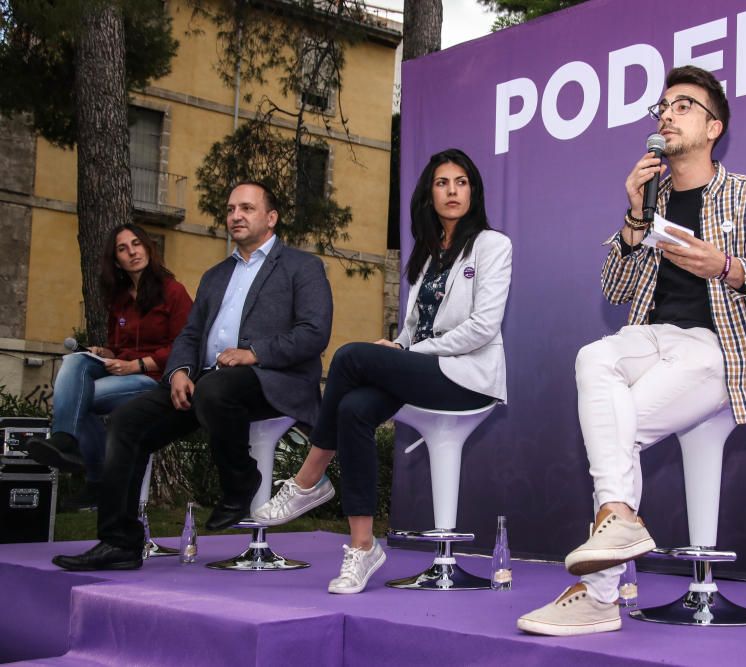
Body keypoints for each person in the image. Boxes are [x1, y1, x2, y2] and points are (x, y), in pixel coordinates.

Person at [517, 65, 746, 636]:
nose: (667, 114)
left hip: (722, 351)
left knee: (613, 430)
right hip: (653, 339)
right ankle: (618, 525)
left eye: (683, 106)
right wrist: (633, 217)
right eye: (663, 107)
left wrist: (725, 265)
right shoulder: (652, 199)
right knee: (591, 358)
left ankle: (598, 596)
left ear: (713, 126)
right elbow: (615, 291)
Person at [251, 148, 512, 594]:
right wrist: (398, 347)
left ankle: (309, 478)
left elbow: (483, 328)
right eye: (442, 183)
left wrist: (412, 353)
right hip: (426, 369)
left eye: (461, 182)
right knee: (353, 408)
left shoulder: (492, 245)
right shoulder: (429, 256)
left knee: (350, 357)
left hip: (467, 378)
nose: (452, 191)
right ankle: (362, 546)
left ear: (474, 191)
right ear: (429, 195)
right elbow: (412, 329)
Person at [52, 180, 333, 571]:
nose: (236, 215)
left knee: (216, 388)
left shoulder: (302, 267)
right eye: (231, 208)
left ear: (271, 218)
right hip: (207, 384)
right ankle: (119, 542)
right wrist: (180, 371)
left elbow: (314, 332)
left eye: (247, 208)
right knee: (127, 421)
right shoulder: (216, 275)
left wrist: (254, 353)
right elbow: (189, 334)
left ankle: (239, 481)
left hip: (272, 380)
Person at [26, 224, 192, 506]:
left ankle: (95, 478)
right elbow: (119, 347)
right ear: (116, 260)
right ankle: (65, 440)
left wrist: (138, 365)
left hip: (155, 378)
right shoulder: (119, 300)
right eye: (123, 249)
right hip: (123, 371)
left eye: (136, 244)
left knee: (82, 399)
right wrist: (104, 352)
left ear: (148, 248)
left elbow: (186, 344)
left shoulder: (173, 291)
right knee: (75, 360)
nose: (132, 252)